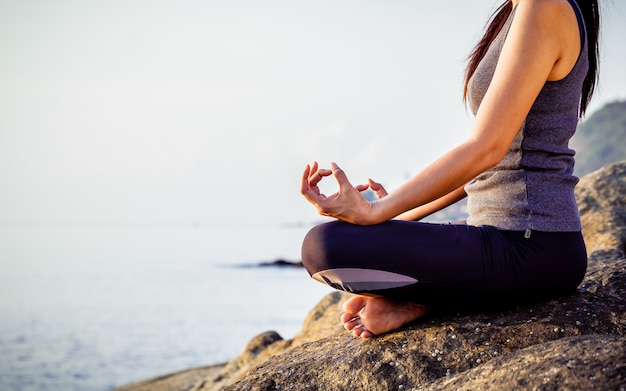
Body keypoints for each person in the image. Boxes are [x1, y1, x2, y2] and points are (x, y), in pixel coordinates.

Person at [300, 0, 600, 339]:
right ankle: (426, 298)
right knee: (334, 242)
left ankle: (428, 298)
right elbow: (490, 161)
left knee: (322, 246)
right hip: (505, 237)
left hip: (534, 244)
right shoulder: (516, 12)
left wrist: (376, 210)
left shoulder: (544, 6)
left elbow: (486, 148)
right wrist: (397, 214)